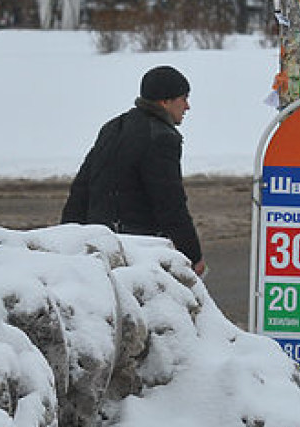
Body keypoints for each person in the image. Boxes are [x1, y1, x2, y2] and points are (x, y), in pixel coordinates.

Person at [61, 65, 205, 276]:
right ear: (165, 101)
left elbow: (82, 188)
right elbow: (170, 203)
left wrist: (68, 237)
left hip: (98, 244)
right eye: (183, 98)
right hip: (136, 250)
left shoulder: (113, 127)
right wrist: (192, 254)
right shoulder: (161, 137)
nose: (187, 106)